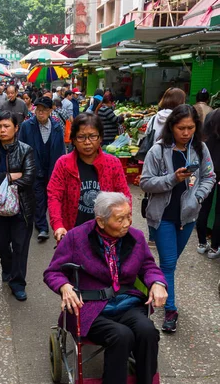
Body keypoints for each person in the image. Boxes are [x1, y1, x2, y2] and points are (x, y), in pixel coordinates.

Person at [44, 191, 169, 384]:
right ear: (101, 221)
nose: (127, 224)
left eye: (128, 217)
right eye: (119, 219)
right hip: (88, 309)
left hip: (125, 303)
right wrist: (65, 286)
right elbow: (53, 272)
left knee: (147, 331)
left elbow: (148, 266)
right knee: (120, 336)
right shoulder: (76, 238)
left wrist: (157, 282)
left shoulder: (135, 237)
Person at [140, 104, 215, 333]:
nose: (186, 133)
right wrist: (171, 179)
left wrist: (199, 197)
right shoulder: (158, 150)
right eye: (181, 128)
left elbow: (209, 176)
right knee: (169, 264)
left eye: (190, 128)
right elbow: (145, 182)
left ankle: (154, 285)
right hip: (162, 216)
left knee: (170, 263)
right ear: (171, 126)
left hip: (188, 217)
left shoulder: (201, 149)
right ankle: (170, 310)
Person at [47, 113, 131, 242]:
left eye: (92, 136)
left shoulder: (113, 163)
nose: (87, 142)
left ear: (100, 138)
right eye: (81, 137)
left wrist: (124, 219)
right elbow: (54, 196)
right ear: (73, 139)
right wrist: (58, 225)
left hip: (107, 234)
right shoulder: (63, 164)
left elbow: (124, 196)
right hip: (72, 234)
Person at [0, 111, 35, 302]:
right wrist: (12, 176)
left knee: (20, 246)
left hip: (21, 208)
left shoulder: (26, 150)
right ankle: (7, 264)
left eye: (6, 126)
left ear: (16, 128)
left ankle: (18, 283)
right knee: (0, 243)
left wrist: (3, 182)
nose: (2, 130)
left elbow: (29, 177)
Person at [18, 97, 66, 241]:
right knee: (39, 197)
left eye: (44, 110)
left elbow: (61, 150)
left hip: (52, 168)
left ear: (51, 111)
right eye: (38, 110)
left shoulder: (57, 127)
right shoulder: (27, 126)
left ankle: (40, 221)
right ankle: (43, 227)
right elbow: (20, 148)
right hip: (34, 168)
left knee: (49, 196)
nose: (41, 113)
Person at [196, 108, 220, 258]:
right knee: (219, 211)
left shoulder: (212, 114)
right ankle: (215, 247)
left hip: (208, 167)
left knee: (204, 207)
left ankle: (201, 243)